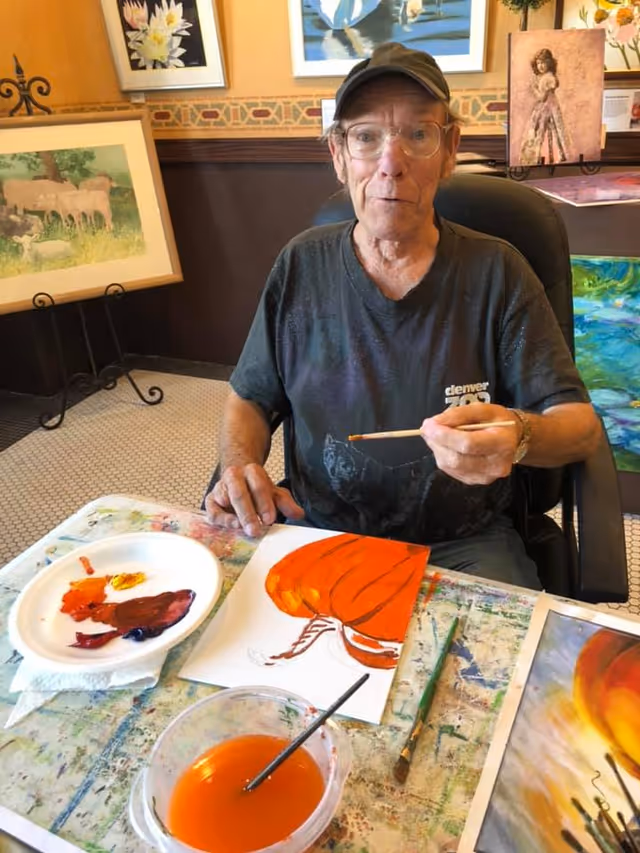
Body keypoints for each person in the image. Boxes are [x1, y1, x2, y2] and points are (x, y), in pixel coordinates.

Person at [205, 42, 601, 589]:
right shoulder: (300, 264)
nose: (391, 163)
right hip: (320, 530)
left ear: (450, 150)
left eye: (418, 135)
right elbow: (249, 395)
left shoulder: (498, 272)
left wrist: (522, 434)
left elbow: (579, 428)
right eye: (367, 137)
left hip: (464, 542)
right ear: (339, 155)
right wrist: (240, 464)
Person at [519, 47, 569, 166]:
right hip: (542, 108)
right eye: (538, 63)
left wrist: (534, 89)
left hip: (549, 108)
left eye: (544, 62)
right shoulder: (540, 78)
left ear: (549, 63)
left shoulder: (549, 78)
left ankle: (552, 156)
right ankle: (539, 157)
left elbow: (542, 97)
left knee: (547, 129)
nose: (541, 66)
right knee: (537, 129)